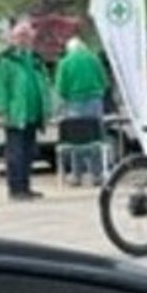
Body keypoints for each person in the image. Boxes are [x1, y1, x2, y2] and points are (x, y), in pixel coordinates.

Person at [0, 19, 52, 200]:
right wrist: (1, 108)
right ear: (13, 38)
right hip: (15, 114)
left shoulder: (35, 59)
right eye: (20, 36)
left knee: (28, 153)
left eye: (27, 35)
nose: (23, 39)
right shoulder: (5, 60)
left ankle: (26, 187)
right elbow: (0, 86)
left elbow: (43, 84)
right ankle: (15, 189)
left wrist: (47, 108)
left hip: (33, 114)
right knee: (15, 154)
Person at [54, 35, 109, 186]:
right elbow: (104, 81)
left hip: (74, 103)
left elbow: (60, 88)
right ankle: (97, 175)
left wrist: (60, 107)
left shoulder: (64, 63)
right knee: (96, 138)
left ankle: (77, 175)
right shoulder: (94, 59)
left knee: (76, 140)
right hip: (94, 102)